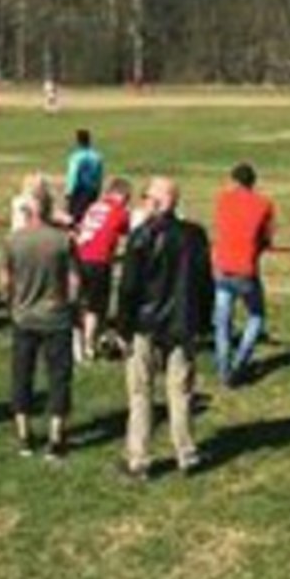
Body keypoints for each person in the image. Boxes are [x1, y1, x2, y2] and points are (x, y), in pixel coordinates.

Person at [117, 178, 212, 481]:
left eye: (146, 196)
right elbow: (205, 284)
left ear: (156, 202)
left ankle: (139, 458)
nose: (143, 201)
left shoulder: (141, 236)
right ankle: (186, 453)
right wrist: (203, 322)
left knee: (141, 392)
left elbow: (129, 289)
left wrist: (123, 327)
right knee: (180, 391)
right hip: (182, 324)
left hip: (146, 324)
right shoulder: (195, 236)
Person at [1, 179, 79, 461]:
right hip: (56, 316)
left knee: (22, 374)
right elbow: (73, 281)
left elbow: (5, 281)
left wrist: (11, 304)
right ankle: (56, 436)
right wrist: (70, 306)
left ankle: (24, 434)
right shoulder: (63, 240)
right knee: (59, 376)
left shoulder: (13, 240)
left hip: (24, 316)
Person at [212, 163, 276, 387]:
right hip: (246, 271)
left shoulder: (223, 199)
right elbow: (267, 238)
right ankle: (239, 362)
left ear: (234, 180)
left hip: (221, 268)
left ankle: (223, 368)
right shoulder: (264, 204)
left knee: (222, 323)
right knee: (256, 316)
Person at [74, 178, 133, 362]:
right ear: (121, 195)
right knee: (95, 306)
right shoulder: (119, 211)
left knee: (79, 303)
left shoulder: (94, 206)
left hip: (78, 256)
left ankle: (77, 345)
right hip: (98, 260)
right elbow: (128, 229)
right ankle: (89, 345)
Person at [64, 129, 104, 224]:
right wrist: (97, 190)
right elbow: (99, 176)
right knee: (88, 217)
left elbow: (72, 175)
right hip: (92, 191)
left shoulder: (76, 157)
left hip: (79, 191)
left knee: (74, 219)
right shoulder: (97, 156)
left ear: (78, 141)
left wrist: (69, 191)